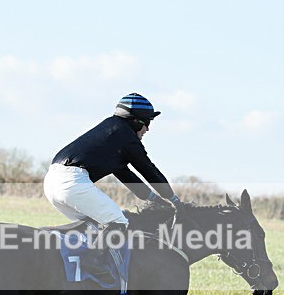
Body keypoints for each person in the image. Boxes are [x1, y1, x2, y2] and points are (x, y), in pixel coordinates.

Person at [43, 93, 182, 240]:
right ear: (136, 121)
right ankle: (93, 262)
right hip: (71, 183)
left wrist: (154, 199)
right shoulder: (127, 136)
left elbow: (125, 175)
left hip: (51, 183)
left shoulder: (112, 132)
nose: (147, 129)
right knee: (119, 223)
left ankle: (73, 261)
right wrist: (174, 200)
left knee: (94, 228)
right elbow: (148, 170)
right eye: (147, 122)